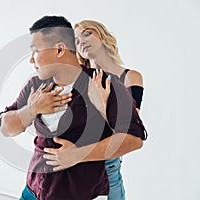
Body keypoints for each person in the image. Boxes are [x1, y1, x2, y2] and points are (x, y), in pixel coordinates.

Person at [0, 16, 147, 200]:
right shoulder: (35, 85)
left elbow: (134, 139)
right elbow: (5, 127)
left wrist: (78, 155)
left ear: (60, 49)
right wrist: (31, 109)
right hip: (32, 192)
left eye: (35, 51)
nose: (31, 60)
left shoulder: (107, 85)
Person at [44, 19, 145, 200]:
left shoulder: (129, 77)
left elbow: (127, 133)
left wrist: (101, 104)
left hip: (106, 166)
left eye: (87, 33)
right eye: (75, 40)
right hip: (67, 165)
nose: (81, 40)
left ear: (103, 36)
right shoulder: (75, 77)